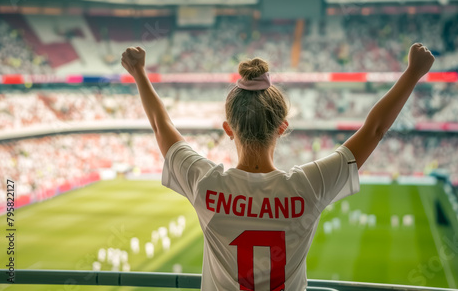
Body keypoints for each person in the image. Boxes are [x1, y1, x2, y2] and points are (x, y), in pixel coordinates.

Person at [121, 43, 435, 291]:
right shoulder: (308, 186)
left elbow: (161, 126)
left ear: (228, 129)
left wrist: (139, 73)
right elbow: (375, 130)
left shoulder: (206, 184)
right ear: (282, 127)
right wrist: (412, 73)